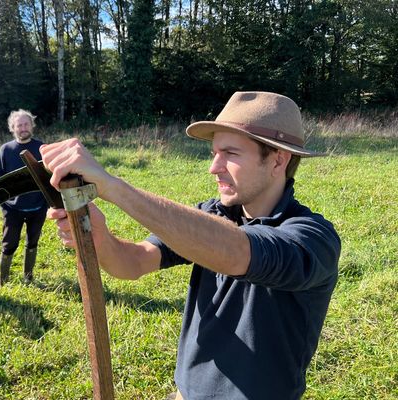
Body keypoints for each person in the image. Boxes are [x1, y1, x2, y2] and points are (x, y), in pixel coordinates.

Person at [41, 92, 341, 399]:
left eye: (231, 154)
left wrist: (113, 187)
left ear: (278, 159)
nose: (214, 167)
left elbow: (238, 253)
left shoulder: (313, 238)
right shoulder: (211, 216)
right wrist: (98, 237)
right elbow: (134, 262)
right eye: (214, 153)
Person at [0, 109, 48, 287]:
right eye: (19, 125)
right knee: (9, 244)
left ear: (32, 126)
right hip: (13, 209)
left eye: (26, 124)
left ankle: (28, 277)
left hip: (38, 207)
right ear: (13, 128)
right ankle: (2, 281)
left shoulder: (41, 148)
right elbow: (0, 182)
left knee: (32, 242)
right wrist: (5, 206)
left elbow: (49, 178)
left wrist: (46, 204)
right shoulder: (6, 150)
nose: (23, 128)